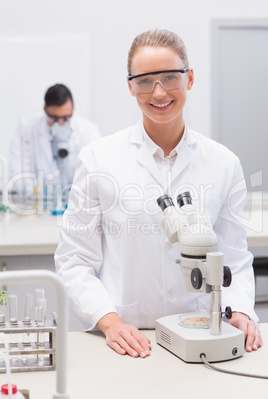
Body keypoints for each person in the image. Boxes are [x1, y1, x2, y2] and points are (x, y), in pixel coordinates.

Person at [55, 29, 262, 358]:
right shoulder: (98, 159)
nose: (159, 91)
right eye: (144, 80)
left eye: (170, 77)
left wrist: (238, 311)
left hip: (200, 335)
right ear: (130, 86)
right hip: (128, 338)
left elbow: (233, 258)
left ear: (189, 78)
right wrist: (109, 322)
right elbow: (75, 260)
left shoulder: (223, 163)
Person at [9, 83, 100, 195]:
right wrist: (36, 196)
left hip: (75, 204)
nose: (60, 124)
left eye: (66, 118)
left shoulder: (88, 131)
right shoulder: (27, 128)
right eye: (54, 119)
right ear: (45, 110)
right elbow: (18, 170)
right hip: (38, 203)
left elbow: (92, 175)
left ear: (73, 108)